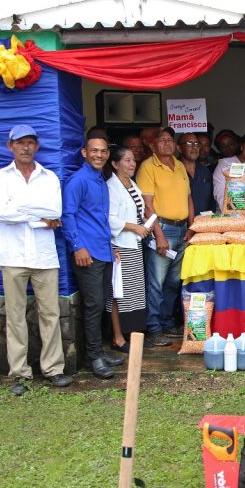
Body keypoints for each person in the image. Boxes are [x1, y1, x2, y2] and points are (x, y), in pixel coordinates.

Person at [0, 125, 72, 395]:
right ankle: (19, 373)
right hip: (12, 254)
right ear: (10, 146)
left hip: (44, 255)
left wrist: (21, 208)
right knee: (15, 315)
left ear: (37, 146)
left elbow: (55, 210)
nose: (25, 147)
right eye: (19, 143)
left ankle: (53, 369)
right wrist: (36, 216)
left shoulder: (48, 177)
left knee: (50, 313)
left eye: (30, 143)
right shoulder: (0, 178)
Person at [63, 133, 125, 379]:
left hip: (102, 251)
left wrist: (109, 245)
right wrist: (78, 246)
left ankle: (99, 350)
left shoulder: (100, 179)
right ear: (84, 153)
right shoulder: (78, 180)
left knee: (100, 304)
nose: (99, 155)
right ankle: (94, 357)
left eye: (103, 151)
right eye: (94, 151)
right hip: (87, 254)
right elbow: (67, 215)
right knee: (93, 305)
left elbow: (98, 218)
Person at [138, 127, 194, 347]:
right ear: (153, 145)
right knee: (156, 282)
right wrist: (158, 236)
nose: (167, 144)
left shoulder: (178, 165)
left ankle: (167, 322)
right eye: (162, 140)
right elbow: (147, 207)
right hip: (162, 229)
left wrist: (191, 226)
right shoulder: (147, 167)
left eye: (170, 140)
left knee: (173, 281)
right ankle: (153, 328)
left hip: (181, 230)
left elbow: (188, 199)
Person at [106, 145, 150, 354]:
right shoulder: (111, 187)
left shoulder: (132, 184)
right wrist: (135, 227)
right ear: (115, 164)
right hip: (119, 246)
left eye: (133, 160)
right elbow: (110, 219)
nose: (132, 164)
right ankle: (117, 337)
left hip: (133, 244)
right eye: (127, 160)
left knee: (134, 293)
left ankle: (134, 335)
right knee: (118, 293)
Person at [178, 132, 215, 214]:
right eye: (189, 144)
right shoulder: (173, 170)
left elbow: (211, 200)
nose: (194, 147)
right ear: (179, 148)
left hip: (203, 222)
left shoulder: (205, 171)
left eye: (196, 144)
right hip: (180, 224)